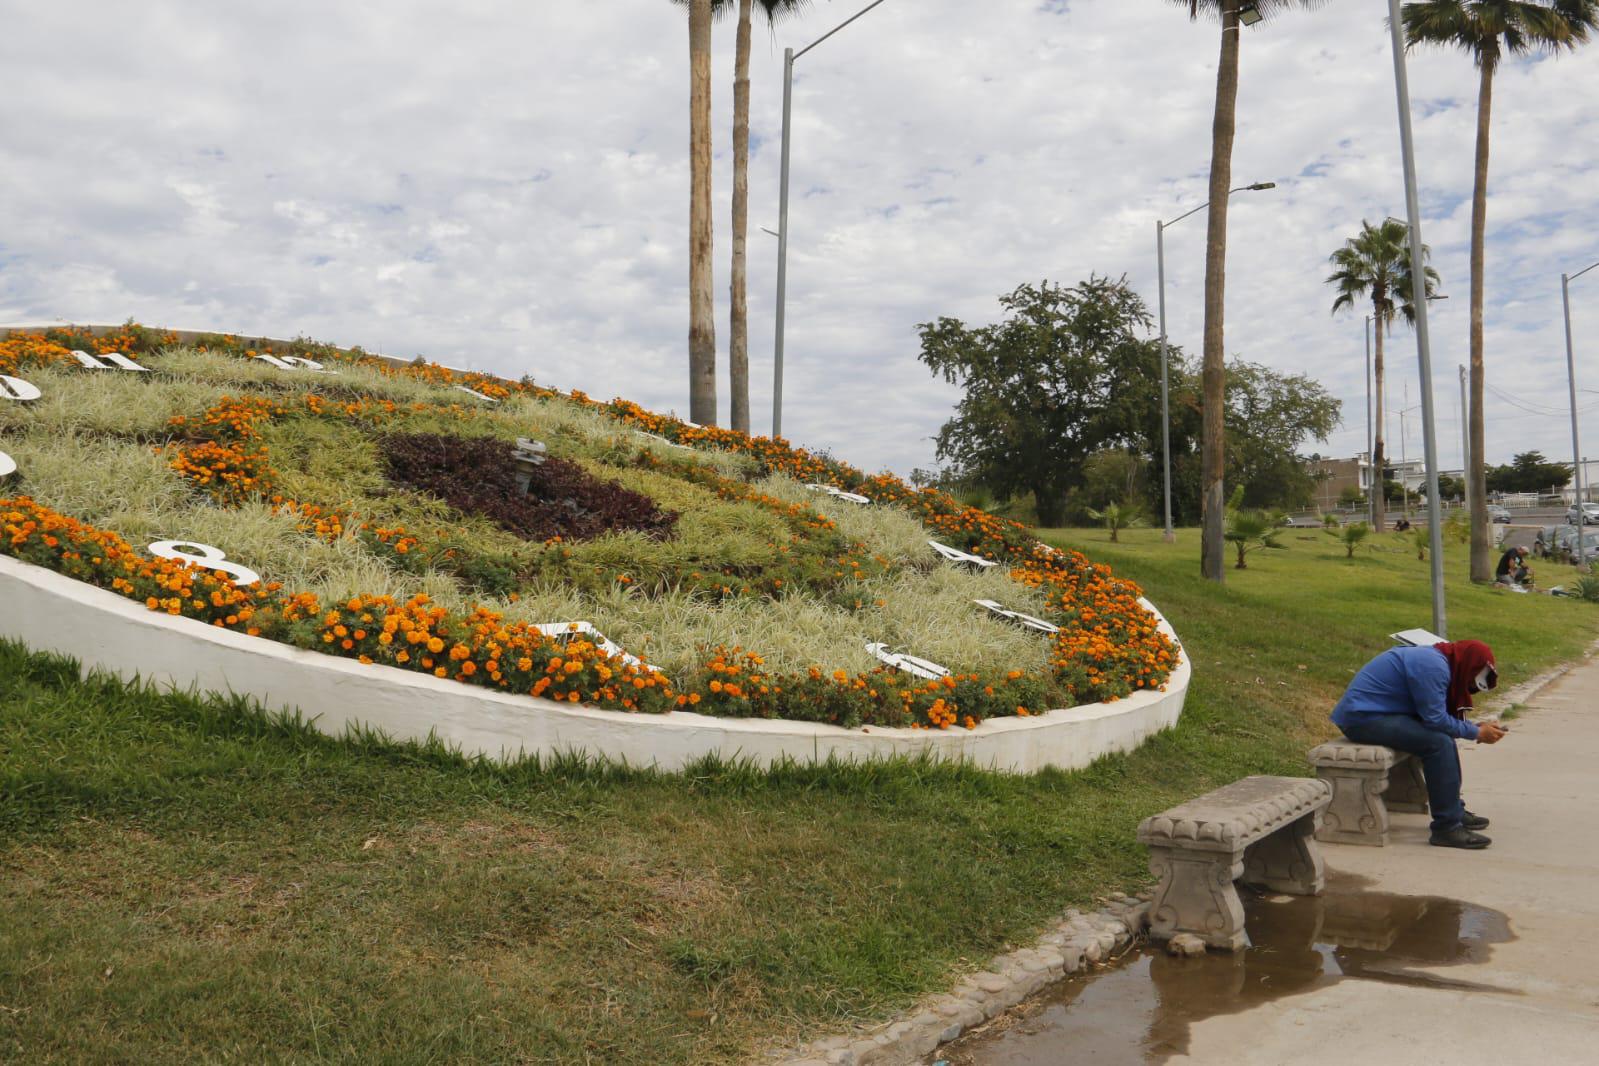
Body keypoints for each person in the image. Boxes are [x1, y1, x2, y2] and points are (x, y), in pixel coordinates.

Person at [1331, 639, 1508, 849]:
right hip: (1362, 719)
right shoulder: (1434, 666)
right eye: (1471, 681)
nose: (1468, 688)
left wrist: (1475, 727)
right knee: (1439, 743)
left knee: (1442, 738)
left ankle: (1454, 811)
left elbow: (1435, 716)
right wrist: (1477, 732)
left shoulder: (1438, 661)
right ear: (1468, 665)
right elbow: (1435, 719)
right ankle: (1447, 828)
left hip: (1379, 714)